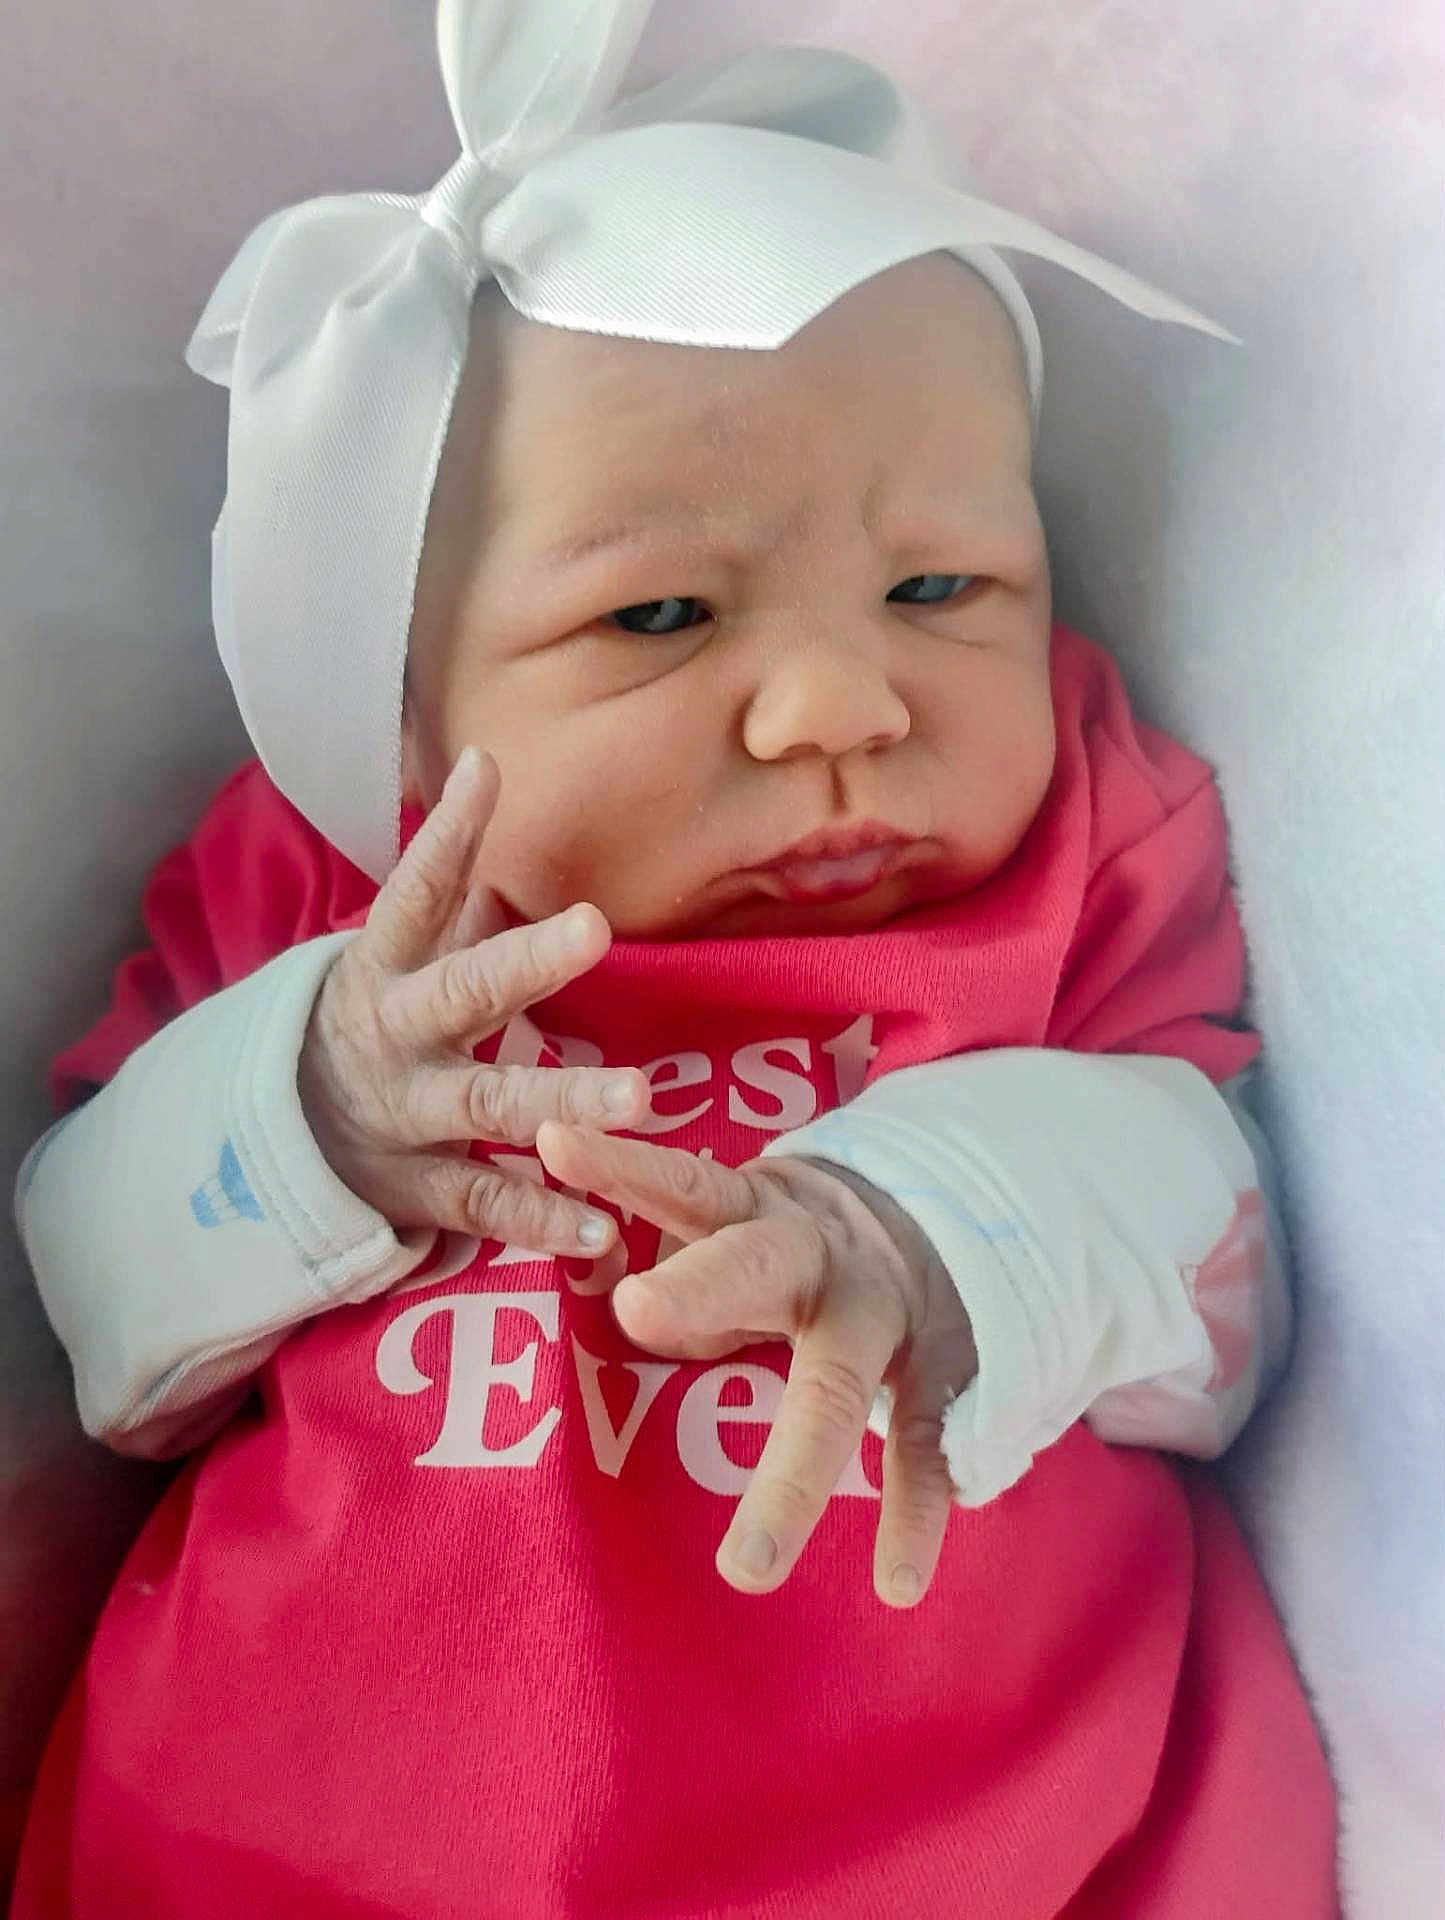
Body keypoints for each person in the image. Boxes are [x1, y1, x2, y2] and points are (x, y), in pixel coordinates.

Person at [9, 3, 1336, 1913]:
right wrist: (307, 1105)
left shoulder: (1071, 855)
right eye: (655, 613)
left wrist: (930, 1231)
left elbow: (1228, 1292)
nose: (837, 702)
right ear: (383, 715)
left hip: (975, 1842)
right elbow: (94, 1323)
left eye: (939, 587)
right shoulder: (336, 897)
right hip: (288, 1847)